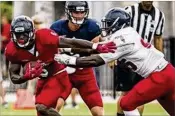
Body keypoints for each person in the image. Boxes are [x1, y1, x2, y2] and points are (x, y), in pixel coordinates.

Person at [54, 8, 175, 116]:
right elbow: (96, 48)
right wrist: (68, 49)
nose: (106, 27)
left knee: (126, 103)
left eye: (109, 23)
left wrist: (69, 60)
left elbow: (96, 60)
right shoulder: (127, 33)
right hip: (167, 72)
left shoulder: (122, 39)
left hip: (159, 76)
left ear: (118, 24)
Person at [5, 15, 116, 116]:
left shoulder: (44, 36)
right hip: (43, 79)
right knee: (41, 112)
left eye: (24, 34)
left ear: (32, 32)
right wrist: (26, 77)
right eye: (17, 34)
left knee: (42, 106)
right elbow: (13, 77)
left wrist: (95, 46)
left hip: (57, 74)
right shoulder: (12, 50)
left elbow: (70, 42)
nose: (21, 38)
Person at [50, 1, 104, 115]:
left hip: (84, 72)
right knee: (53, 108)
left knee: (98, 111)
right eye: (76, 12)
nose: (79, 15)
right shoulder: (57, 27)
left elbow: (94, 53)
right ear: (68, 12)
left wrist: (71, 52)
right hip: (63, 73)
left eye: (82, 12)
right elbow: (51, 52)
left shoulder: (92, 27)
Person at [112, 1, 165, 116]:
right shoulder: (129, 11)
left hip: (146, 61)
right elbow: (116, 32)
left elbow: (158, 38)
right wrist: (112, 57)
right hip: (126, 58)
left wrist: (159, 61)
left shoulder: (159, 15)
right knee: (126, 93)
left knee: (141, 95)